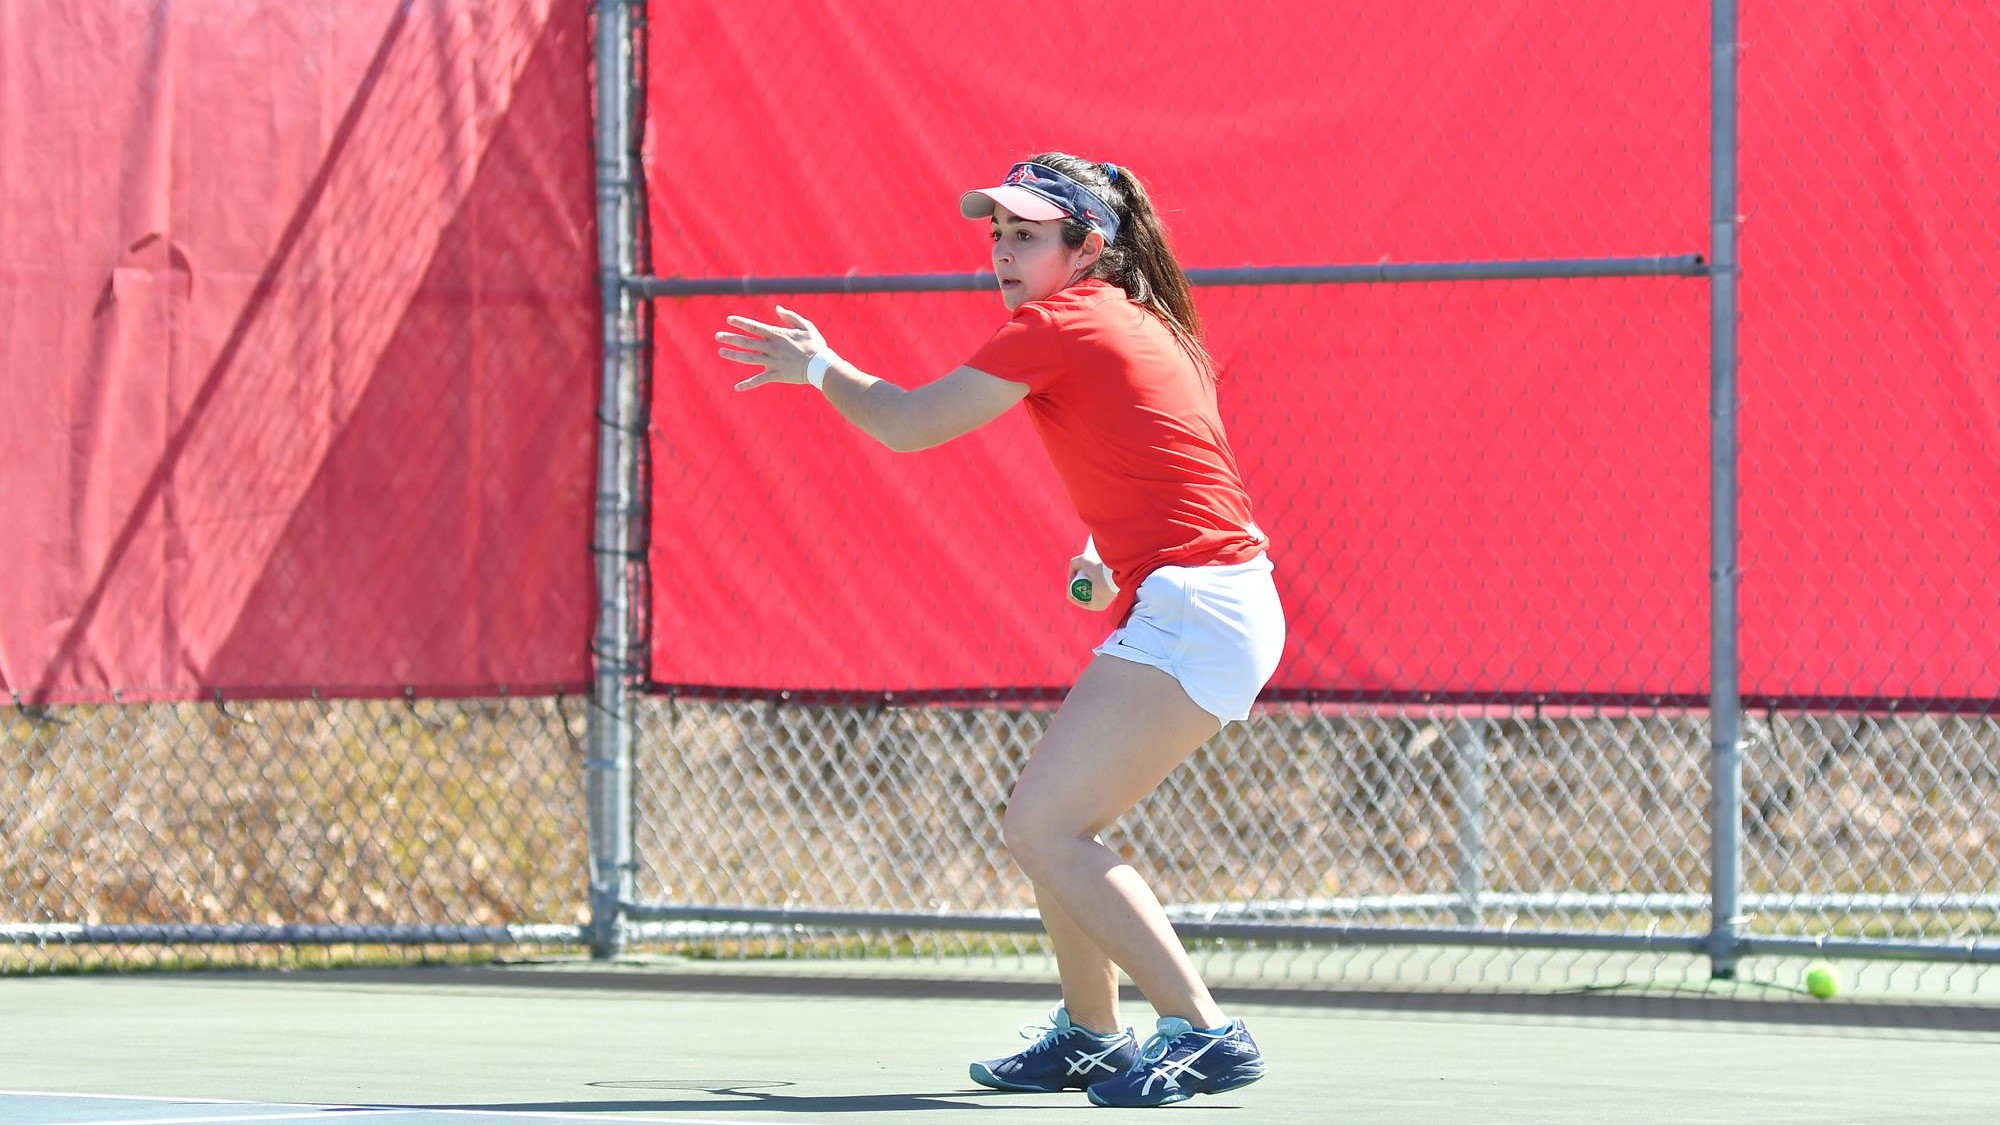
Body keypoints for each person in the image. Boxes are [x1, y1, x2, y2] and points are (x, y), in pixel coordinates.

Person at [715, 153, 1284, 1108]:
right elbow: (1167, 453)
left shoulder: (1062, 322)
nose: (1004, 251)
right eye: (998, 234)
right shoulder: (1147, 324)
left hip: (1202, 607)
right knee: (1057, 824)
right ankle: (1094, 1038)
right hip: (1209, 597)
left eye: (1027, 235)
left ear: (1087, 246)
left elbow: (907, 423)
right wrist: (1108, 548)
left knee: (1044, 825)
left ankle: (1204, 1031)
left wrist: (817, 365)